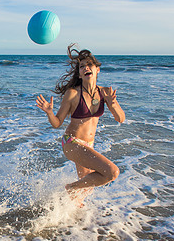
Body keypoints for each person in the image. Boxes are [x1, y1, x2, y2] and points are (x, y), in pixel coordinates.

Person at [36, 44, 125, 207]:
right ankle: (70, 188)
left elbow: (120, 119)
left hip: (88, 145)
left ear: (97, 69)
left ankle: (67, 219)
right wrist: (49, 113)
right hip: (72, 143)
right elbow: (57, 124)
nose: (85, 68)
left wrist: (113, 104)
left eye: (89, 64)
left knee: (86, 189)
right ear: (79, 73)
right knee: (112, 172)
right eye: (82, 66)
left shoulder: (105, 92)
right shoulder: (73, 93)